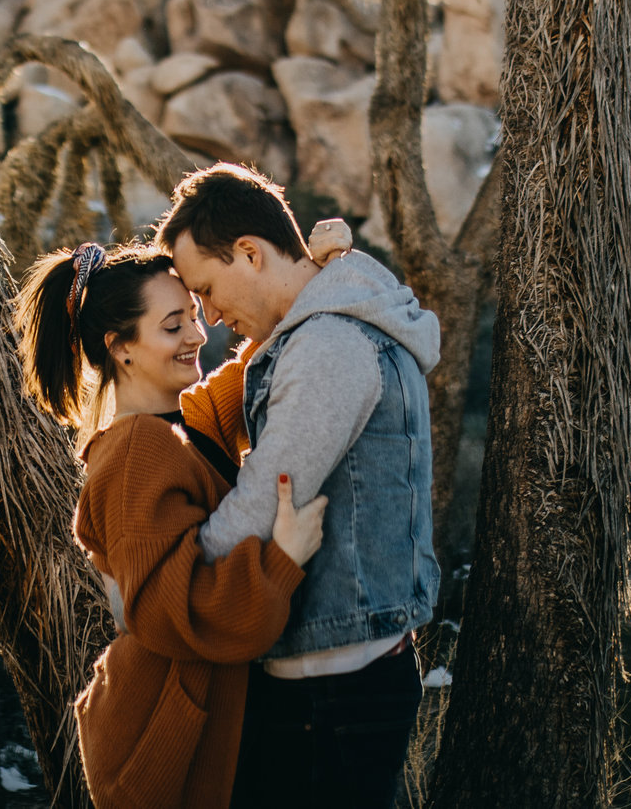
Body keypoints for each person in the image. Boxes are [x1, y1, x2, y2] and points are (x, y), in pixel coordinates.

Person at [159, 164, 441, 809]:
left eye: (205, 288)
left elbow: (266, 498)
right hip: (341, 665)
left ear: (251, 254)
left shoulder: (329, 346)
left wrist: (169, 580)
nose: (209, 315)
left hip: (331, 681)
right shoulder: (332, 326)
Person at [18, 239, 329, 809]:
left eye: (193, 314)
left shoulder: (185, 419)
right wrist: (280, 560)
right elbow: (168, 611)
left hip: (211, 713)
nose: (197, 335)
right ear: (121, 348)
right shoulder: (138, 447)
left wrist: (317, 274)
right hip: (175, 736)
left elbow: (264, 354)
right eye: (171, 325)